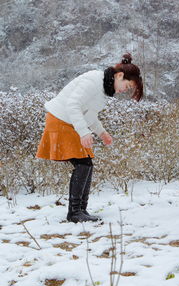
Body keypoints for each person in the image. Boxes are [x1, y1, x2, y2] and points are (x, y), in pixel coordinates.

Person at [36, 53, 143, 223]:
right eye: (127, 85)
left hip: (69, 122)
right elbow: (73, 104)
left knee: (87, 163)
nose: (124, 90)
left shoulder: (103, 90)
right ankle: (74, 213)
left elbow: (90, 114)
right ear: (120, 76)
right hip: (60, 120)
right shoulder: (93, 80)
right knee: (83, 163)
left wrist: (102, 133)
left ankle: (81, 210)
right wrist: (84, 132)